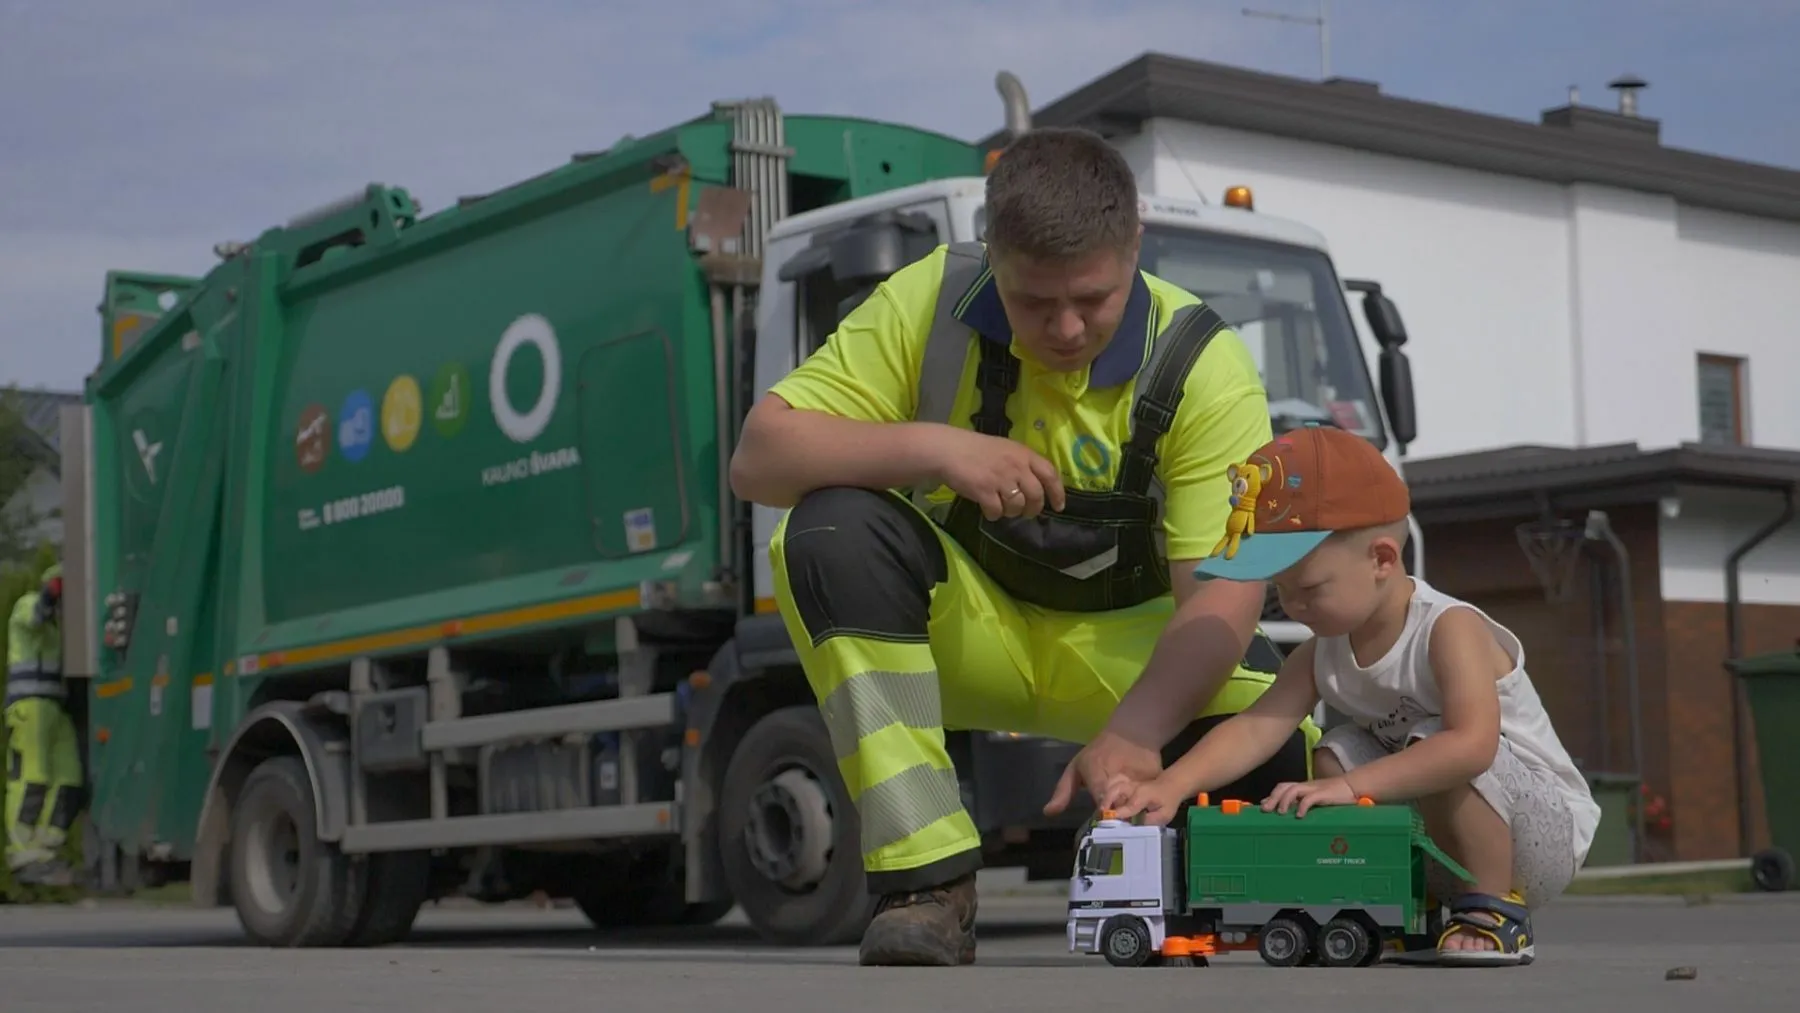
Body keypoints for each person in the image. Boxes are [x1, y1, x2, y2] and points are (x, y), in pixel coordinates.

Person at [729, 126, 1319, 966]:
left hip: (1132, 658)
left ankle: (1182, 881)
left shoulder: (1208, 365)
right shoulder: (930, 301)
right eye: (1035, 302)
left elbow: (1224, 595)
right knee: (823, 530)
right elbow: (760, 457)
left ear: (1135, 247)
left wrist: (1137, 730)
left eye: (1094, 298)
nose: (1067, 327)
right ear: (991, 253)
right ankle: (926, 882)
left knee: (1283, 752)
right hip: (973, 640)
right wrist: (937, 449)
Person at [1109, 424, 1602, 967]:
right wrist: (1173, 784)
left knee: (1435, 740)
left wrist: (1352, 787)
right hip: (1439, 844)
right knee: (1336, 747)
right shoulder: (1324, 649)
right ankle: (1394, 901)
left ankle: (1492, 912)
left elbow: (1473, 748)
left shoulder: (1448, 628)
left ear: (1382, 560)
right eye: (1281, 590)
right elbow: (1256, 727)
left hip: (1535, 843)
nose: (1292, 606)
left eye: (1310, 588)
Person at [5, 562, 83, 887]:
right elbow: (38, 611)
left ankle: (47, 849)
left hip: (54, 709)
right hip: (29, 707)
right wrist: (56, 589)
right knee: (31, 779)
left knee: (70, 779)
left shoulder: (58, 629)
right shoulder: (26, 604)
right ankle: (21, 852)